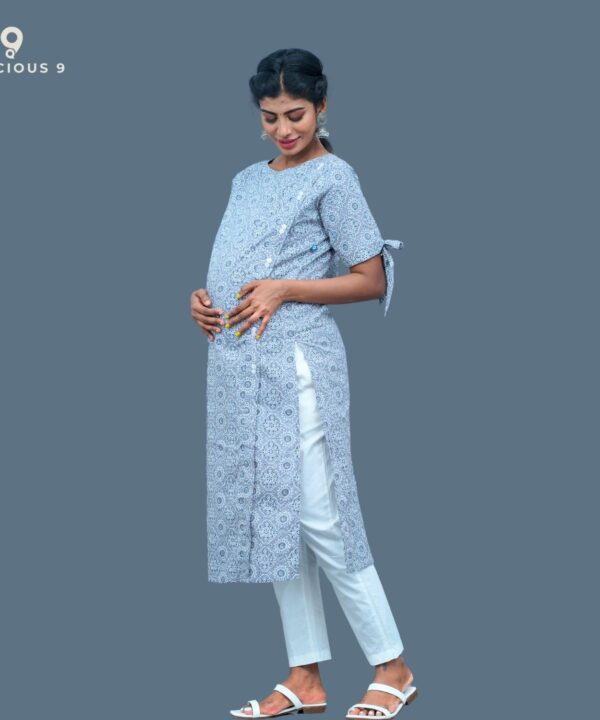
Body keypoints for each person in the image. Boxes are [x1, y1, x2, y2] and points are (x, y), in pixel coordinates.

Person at [190, 48, 418, 719]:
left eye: (296, 115)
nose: (284, 129)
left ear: (322, 107)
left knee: (322, 511)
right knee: (274, 517)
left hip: (297, 364)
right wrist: (204, 300)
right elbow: (239, 265)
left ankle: (393, 665)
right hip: (238, 366)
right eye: (270, 117)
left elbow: (371, 278)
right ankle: (306, 675)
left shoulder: (335, 177)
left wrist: (285, 289)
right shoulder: (245, 180)